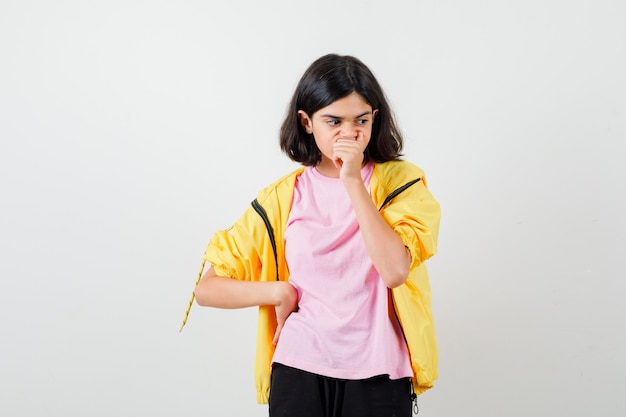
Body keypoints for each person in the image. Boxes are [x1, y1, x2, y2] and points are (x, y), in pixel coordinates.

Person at [180, 53, 441, 417]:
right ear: (306, 122)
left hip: (378, 370)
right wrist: (278, 291)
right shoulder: (282, 198)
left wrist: (352, 181)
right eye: (333, 121)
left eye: (361, 120)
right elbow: (207, 289)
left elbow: (395, 270)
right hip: (298, 367)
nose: (349, 134)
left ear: (374, 119)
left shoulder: (402, 184)